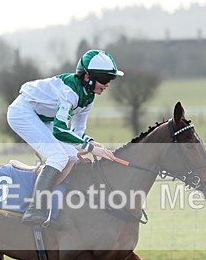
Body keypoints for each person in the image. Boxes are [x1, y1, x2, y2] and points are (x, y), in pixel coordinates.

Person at [7, 49, 123, 225]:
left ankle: (49, 196)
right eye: (105, 79)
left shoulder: (89, 97)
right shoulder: (70, 92)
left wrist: (91, 142)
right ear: (87, 77)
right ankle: (35, 209)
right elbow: (60, 130)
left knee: (71, 156)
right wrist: (90, 148)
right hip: (22, 112)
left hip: (43, 117)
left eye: (110, 80)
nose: (107, 85)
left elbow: (77, 132)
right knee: (58, 156)